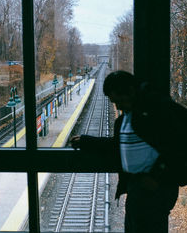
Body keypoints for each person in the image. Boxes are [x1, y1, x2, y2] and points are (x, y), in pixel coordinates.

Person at [70, 70, 179, 233]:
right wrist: (87, 142)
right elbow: (118, 146)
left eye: (119, 100)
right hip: (138, 188)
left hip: (154, 189)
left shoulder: (156, 111)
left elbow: (176, 146)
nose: (118, 106)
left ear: (130, 91)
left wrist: (157, 175)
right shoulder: (127, 117)